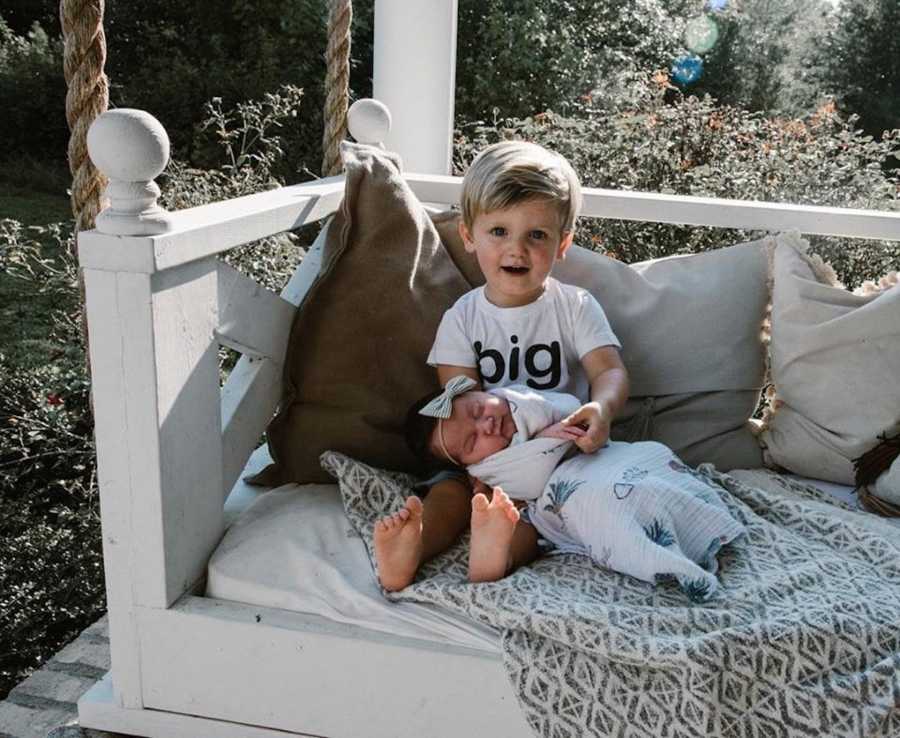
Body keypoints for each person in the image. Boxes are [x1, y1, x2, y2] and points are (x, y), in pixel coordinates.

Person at [373, 140, 629, 590]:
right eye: (499, 232)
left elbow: (609, 371)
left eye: (537, 235)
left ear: (562, 243)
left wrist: (602, 410)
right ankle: (411, 550)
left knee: (540, 517)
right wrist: (483, 476)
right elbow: (458, 408)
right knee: (452, 495)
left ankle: (496, 554)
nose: (517, 249)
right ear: (469, 235)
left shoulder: (574, 307)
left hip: (564, 455)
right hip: (486, 464)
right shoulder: (463, 319)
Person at [404, 381, 745, 601]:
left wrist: (558, 427)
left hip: (608, 457)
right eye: (473, 440)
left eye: (478, 410)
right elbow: (532, 478)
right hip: (551, 499)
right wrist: (548, 441)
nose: (486, 425)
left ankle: (697, 519)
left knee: (653, 458)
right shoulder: (488, 470)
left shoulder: (521, 399)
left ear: (484, 392)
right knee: (599, 503)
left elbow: (568, 405)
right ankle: (491, 554)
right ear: (468, 465)